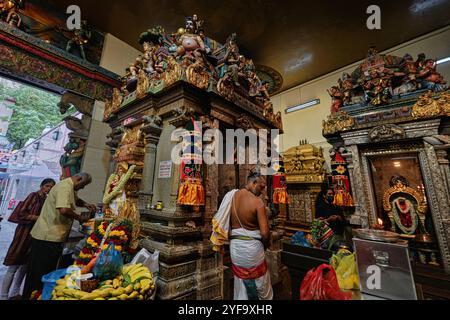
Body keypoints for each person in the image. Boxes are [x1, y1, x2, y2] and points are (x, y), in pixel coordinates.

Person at [22, 173, 96, 299]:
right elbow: (64, 209)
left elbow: (74, 200)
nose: (82, 188)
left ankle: (38, 295)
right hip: (47, 237)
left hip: (52, 236)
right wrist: (80, 218)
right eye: (82, 185)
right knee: (39, 273)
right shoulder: (64, 187)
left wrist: (85, 204)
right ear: (78, 179)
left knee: (46, 271)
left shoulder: (69, 187)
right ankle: (32, 296)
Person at [210, 170, 272, 300]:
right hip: (253, 250)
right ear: (254, 183)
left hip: (236, 249)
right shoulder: (258, 203)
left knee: (241, 282)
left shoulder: (232, 196)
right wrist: (266, 245)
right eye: (261, 186)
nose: (263, 191)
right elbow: (265, 233)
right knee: (261, 283)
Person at [1, 178, 55, 300]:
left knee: (24, 266)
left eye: (51, 187)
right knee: (13, 265)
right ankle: (4, 295)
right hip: (23, 234)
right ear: (42, 186)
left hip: (34, 235)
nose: (49, 189)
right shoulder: (33, 196)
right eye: (47, 186)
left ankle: (15, 292)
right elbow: (22, 213)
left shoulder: (46, 200)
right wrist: (37, 218)